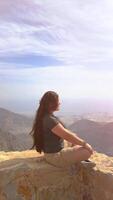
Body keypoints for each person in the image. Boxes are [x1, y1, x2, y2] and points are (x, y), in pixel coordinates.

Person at [29, 91, 95, 168]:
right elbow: (66, 135)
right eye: (58, 101)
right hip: (56, 157)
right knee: (87, 151)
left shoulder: (45, 116)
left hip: (52, 154)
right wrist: (85, 144)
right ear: (51, 104)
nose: (59, 103)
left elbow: (67, 134)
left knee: (74, 137)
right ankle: (78, 163)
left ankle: (76, 159)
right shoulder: (49, 120)